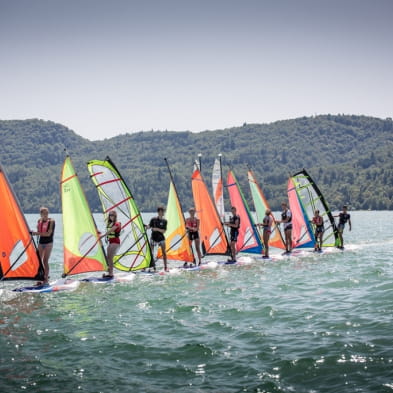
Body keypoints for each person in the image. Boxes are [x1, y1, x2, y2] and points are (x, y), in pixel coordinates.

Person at [31, 206, 55, 286]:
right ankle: (39, 279)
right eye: (44, 213)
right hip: (41, 243)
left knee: (45, 261)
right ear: (40, 214)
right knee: (38, 261)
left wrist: (36, 233)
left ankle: (45, 279)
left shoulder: (51, 221)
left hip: (48, 243)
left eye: (47, 213)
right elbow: (39, 232)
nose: (46, 215)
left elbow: (48, 233)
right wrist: (33, 233)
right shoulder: (39, 221)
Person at [147, 206, 168, 271]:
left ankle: (165, 267)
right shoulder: (153, 219)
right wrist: (147, 227)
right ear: (159, 212)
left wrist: (156, 229)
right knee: (151, 253)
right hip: (153, 238)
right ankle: (152, 267)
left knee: (164, 253)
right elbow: (149, 226)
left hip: (161, 238)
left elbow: (164, 231)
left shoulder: (165, 221)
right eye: (162, 211)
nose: (163, 212)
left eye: (164, 211)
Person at [101, 210, 121, 278]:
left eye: (112, 215)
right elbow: (107, 231)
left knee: (110, 258)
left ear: (115, 216)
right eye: (110, 215)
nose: (111, 216)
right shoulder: (110, 223)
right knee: (108, 257)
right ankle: (109, 272)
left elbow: (111, 230)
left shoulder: (117, 223)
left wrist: (103, 235)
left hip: (116, 242)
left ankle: (111, 274)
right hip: (110, 242)